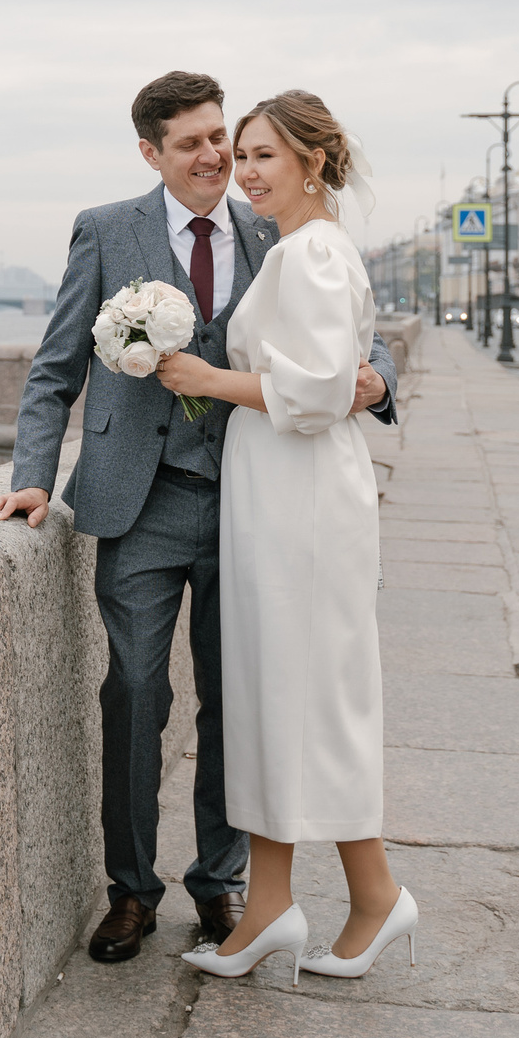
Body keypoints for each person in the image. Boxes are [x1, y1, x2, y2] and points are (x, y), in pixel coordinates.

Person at [0, 71, 395, 963]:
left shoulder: (274, 220)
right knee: (135, 692)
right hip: (140, 501)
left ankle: (224, 885)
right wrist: (33, 476)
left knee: (241, 699)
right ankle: (131, 890)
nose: (218, 159)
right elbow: (55, 370)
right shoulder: (105, 230)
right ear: (151, 153)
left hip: (252, 501)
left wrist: (381, 378)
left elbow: (355, 333)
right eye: (198, 144)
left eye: (225, 140)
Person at [162, 91, 414, 986]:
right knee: (277, 692)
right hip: (281, 497)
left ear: (311, 161)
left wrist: (206, 376)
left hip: (302, 500)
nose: (247, 170)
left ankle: (376, 891)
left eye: (264, 154)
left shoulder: (309, 253)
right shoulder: (302, 249)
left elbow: (312, 394)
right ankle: (269, 903)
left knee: (316, 695)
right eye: (244, 153)